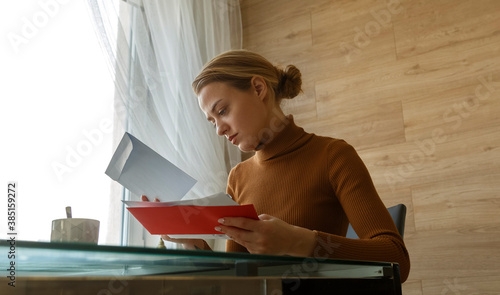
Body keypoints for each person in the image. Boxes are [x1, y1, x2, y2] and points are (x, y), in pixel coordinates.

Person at [143, 50, 410, 282]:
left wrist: (300, 242)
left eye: (222, 111)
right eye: (212, 121)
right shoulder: (238, 177)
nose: (219, 130)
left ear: (259, 89)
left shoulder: (333, 156)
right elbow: (235, 276)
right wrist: (192, 243)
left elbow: (396, 258)